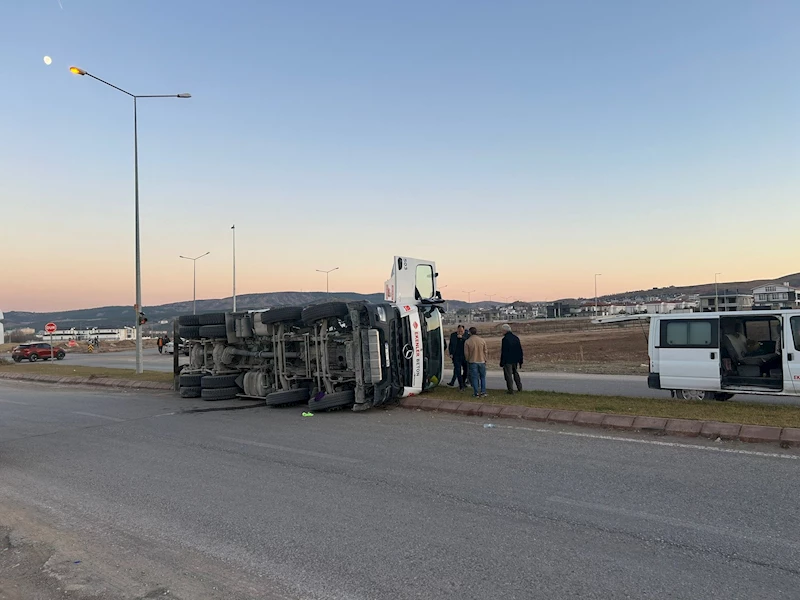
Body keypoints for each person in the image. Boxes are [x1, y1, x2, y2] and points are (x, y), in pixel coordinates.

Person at [463, 327, 488, 397]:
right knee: (482, 377)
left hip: (473, 361)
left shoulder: (467, 341)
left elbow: (466, 353)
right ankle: (483, 391)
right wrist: (485, 359)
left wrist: (467, 359)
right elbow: (485, 351)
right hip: (482, 361)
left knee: (474, 377)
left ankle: (476, 392)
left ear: (470, 333)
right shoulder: (482, 340)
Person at [500, 323, 523, 394]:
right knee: (515, 373)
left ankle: (510, 390)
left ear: (505, 331)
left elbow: (504, 352)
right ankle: (519, 387)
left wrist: (502, 362)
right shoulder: (516, 338)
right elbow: (520, 349)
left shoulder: (505, 339)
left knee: (508, 375)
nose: (501, 332)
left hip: (508, 360)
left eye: (502, 330)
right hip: (515, 359)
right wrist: (520, 360)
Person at [447, 325, 470, 390]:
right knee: (457, 370)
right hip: (456, 355)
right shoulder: (453, 335)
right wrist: (451, 353)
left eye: (461, 331)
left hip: (465, 355)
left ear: (464, 330)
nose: (460, 332)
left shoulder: (467, 335)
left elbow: (468, 342)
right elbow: (450, 345)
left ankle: (463, 382)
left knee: (466, 370)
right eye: (459, 331)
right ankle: (461, 385)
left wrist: (462, 337)